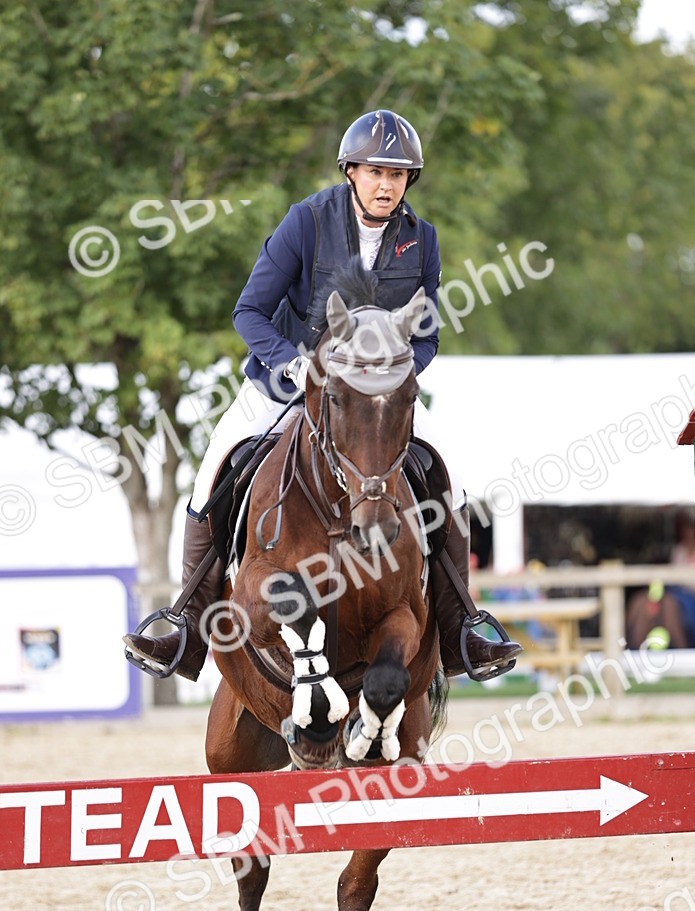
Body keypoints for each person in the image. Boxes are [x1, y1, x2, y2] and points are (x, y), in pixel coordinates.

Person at [124, 109, 520, 682]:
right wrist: (290, 362)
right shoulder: (307, 221)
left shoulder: (422, 240)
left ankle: (462, 631)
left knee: (446, 480)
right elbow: (248, 312)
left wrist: (396, 377)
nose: (387, 185)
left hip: (375, 401)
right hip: (285, 385)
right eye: (376, 172)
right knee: (210, 472)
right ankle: (184, 628)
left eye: (398, 175)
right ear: (351, 171)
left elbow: (427, 332)